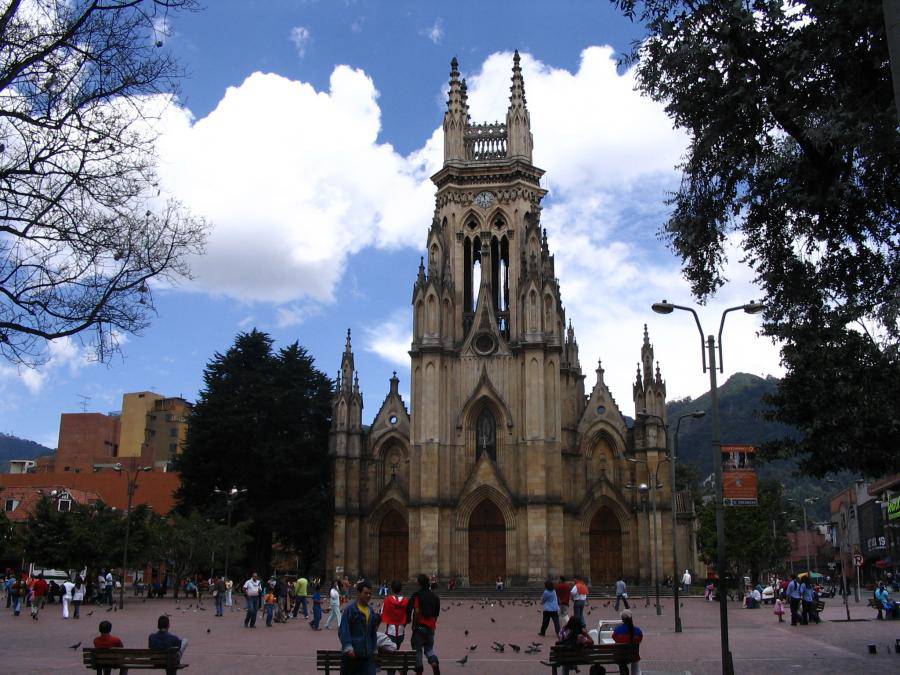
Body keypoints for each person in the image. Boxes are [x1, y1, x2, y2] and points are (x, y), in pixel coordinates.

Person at [338, 580, 381, 675]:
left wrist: (373, 648)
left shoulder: (371, 611)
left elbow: (372, 632)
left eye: (370, 593)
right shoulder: (350, 610)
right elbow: (344, 630)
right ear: (359, 593)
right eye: (366, 593)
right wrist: (348, 647)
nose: (368, 596)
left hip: (367, 655)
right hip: (353, 655)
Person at [406, 573, 441, 675]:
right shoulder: (435, 597)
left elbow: (415, 610)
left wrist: (411, 622)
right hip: (431, 628)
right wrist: (432, 625)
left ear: (419, 583)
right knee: (429, 649)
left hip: (419, 627)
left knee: (417, 650)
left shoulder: (417, 595)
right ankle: (434, 662)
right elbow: (436, 614)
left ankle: (419, 670)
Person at [380, 580, 409, 674]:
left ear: (392, 589)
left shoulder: (387, 600)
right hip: (401, 632)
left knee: (391, 655)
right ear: (401, 589)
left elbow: (381, 613)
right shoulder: (406, 601)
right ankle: (400, 668)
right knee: (397, 651)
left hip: (390, 632)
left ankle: (392, 672)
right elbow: (409, 616)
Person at [612, 610, 644, 675]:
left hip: (620, 656)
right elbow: (639, 640)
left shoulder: (617, 630)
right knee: (634, 654)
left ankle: (623, 671)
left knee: (621, 656)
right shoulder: (638, 631)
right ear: (631, 618)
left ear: (622, 619)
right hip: (633, 656)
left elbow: (614, 638)